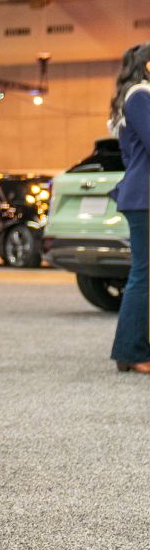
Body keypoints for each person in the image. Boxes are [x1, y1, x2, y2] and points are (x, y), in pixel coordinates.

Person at [108, 42, 150, 373]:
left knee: (142, 274)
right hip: (144, 198)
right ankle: (132, 353)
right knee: (142, 275)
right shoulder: (139, 95)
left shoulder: (135, 98)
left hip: (141, 196)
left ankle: (135, 349)